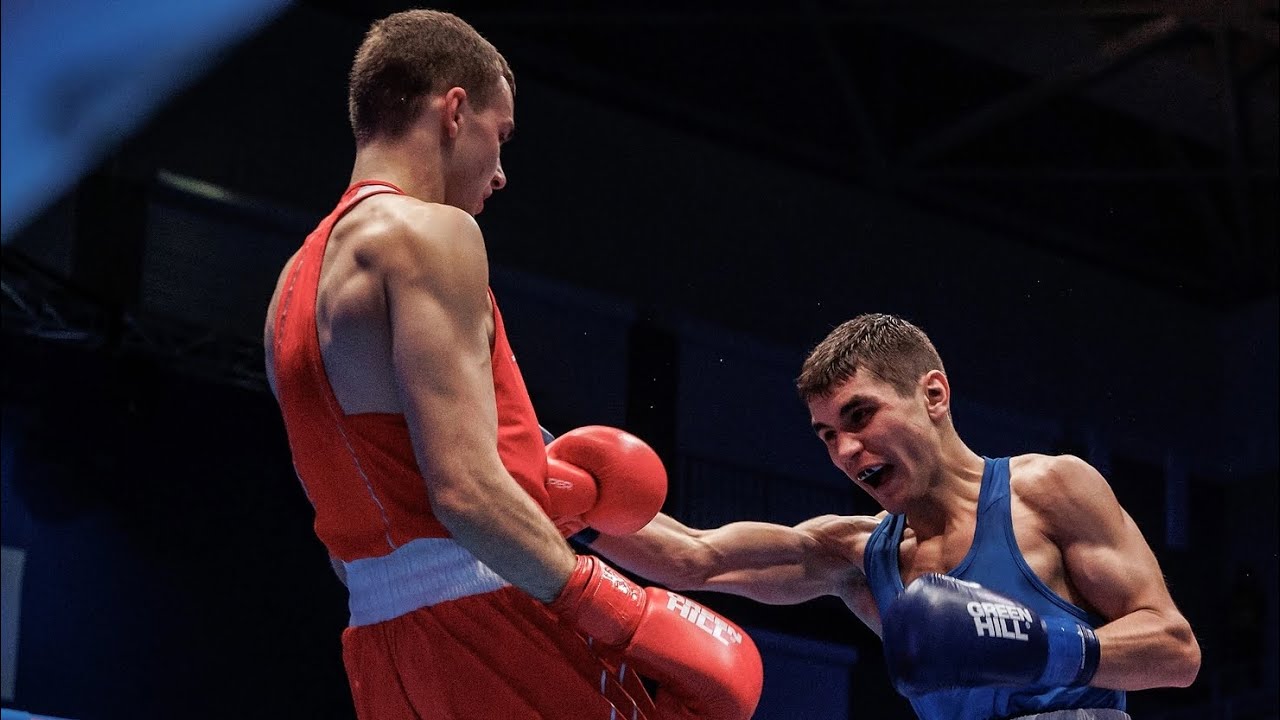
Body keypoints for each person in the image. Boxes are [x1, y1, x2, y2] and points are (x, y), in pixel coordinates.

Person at [261, 10, 762, 720]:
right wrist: (615, 607)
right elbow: (464, 493)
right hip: (491, 616)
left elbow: (356, 536)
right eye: (500, 137)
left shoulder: (291, 288)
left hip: (382, 648)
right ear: (454, 111)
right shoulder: (432, 234)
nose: (499, 174)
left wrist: (541, 494)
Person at [590, 313, 1202, 720]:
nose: (846, 450)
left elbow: (1176, 651)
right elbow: (693, 556)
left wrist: (1038, 648)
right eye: (827, 435)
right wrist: (554, 484)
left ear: (933, 394)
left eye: (860, 416)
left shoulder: (1049, 490)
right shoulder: (858, 556)